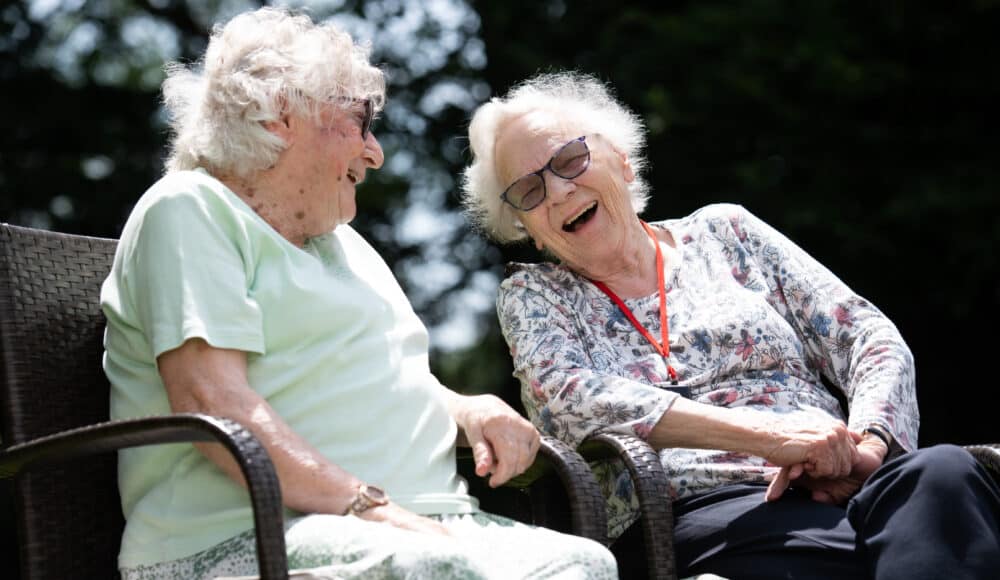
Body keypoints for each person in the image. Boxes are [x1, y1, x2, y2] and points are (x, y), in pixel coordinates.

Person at [100, 9, 617, 580]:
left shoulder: (345, 244)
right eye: (359, 122)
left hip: (418, 527)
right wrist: (371, 507)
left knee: (581, 562)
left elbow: (393, 380)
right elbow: (212, 401)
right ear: (279, 114)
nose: (375, 153)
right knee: (440, 567)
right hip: (240, 540)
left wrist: (469, 409)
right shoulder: (190, 209)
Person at [459, 70, 1000, 579]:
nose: (556, 191)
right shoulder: (536, 294)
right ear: (524, 226)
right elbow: (572, 399)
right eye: (528, 191)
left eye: (570, 160)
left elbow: (865, 334)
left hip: (851, 480)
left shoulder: (727, 233)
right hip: (710, 513)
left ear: (622, 161)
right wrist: (775, 439)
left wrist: (865, 449)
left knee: (946, 476)